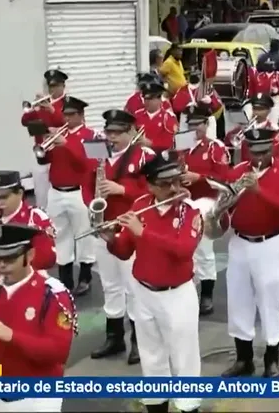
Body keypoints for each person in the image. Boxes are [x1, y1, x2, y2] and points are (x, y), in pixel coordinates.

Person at [103, 153, 203, 413]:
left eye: (176, 181)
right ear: (149, 185)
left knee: (184, 358)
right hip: (144, 291)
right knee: (151, 356)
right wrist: (110, 239)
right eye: (164, 183)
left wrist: (143, 232)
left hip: (177, 294)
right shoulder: (139, 205)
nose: (173, 188)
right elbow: (125, 250)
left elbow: (183, 250)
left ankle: (188, 406)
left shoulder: (189, 211)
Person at [0, 224, 74, 412]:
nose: (1, 266)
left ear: (30, 256)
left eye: (9, 259)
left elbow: (59, 351)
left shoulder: (53, 293)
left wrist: (11, 336)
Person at [220, 127, 279, 378]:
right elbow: (223, 202)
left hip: (269, 243)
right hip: (239, 242)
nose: (258, 157)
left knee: (269, 299)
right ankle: (244, 359)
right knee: (238, 299)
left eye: (263, 151)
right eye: (253, 152)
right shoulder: (239, 171)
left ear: (272, 149)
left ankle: (271, 359)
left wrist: (259, 192)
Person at [84, 109, 154, 365]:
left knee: (132, 286)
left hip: (128, 226)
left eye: (116, 133)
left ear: (130, 132)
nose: (110, 137)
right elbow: (86, 181)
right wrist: (91, 203)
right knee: (110, 284)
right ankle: (114, 337)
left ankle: (138, 340)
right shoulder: (98, 153)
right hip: (104, 226)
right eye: (108, 132)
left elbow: (152, 190)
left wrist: (122, 188)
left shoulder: (144, 155)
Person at [178, 106, 230, 316]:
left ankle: (207, 295)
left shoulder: (215, 147)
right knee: (185, 249)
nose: (194, 128)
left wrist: (197, 177)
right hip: (184, 201)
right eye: (190, 124)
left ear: (206, 124)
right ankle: (188, 290)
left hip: (206, 202)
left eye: (198, 124)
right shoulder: (182, 144)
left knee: (204, 251)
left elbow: (223, 178)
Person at [0, 170, 56, 281]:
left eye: (4, 197)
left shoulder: (36, 218)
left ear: (20, 194)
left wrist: (12, 261)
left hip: (27, 279)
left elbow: (49, 259)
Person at [44, 96, 96, 295]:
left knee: (83, 234)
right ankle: (65, 279)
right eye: (65, 114)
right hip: (56, 191)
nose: (66, 119)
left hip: (78, 192)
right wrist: (45, 147)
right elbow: (45, 160)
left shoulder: (91, 135)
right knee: (60, 235)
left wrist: (66, 144)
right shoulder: (59, 134)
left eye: (71, 114)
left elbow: (88, 164)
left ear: (81, 115)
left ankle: (85, 277)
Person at [20, 69, 68, 210]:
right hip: (41, 153)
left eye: (55, 86)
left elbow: (66, 122)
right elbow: (24, 121)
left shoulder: (68, 104)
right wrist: (34, 108)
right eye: (50, 86)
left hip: (59, 154)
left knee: (56, 195)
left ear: (63, 86)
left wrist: (52, 110)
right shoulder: (41, 105)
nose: (52, 89)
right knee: (41, 193)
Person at [225, 94, 279, 164]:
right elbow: (228, 140)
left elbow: (274, 154)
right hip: (246, 168)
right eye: (254, 109)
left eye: (261, 109)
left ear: (269, 111)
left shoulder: (273, 130)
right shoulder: (245, 127)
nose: (257, 112)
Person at [133, 81, 179, 154]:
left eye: (151, 99)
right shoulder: (137, 115)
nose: (147, 102)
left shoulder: (168, 117)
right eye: (145, 99)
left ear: (159, 100)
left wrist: (151, 143)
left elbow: (170, 142)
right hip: (139, 155)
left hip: (159, 157)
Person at [245, 60, 279, 128]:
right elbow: (256, 87)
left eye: (271, 65)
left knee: (274, 121)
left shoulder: (278, 75)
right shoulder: (259, 75)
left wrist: (278, 90)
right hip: (263, 100)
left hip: (274, 99)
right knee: (260, 120)